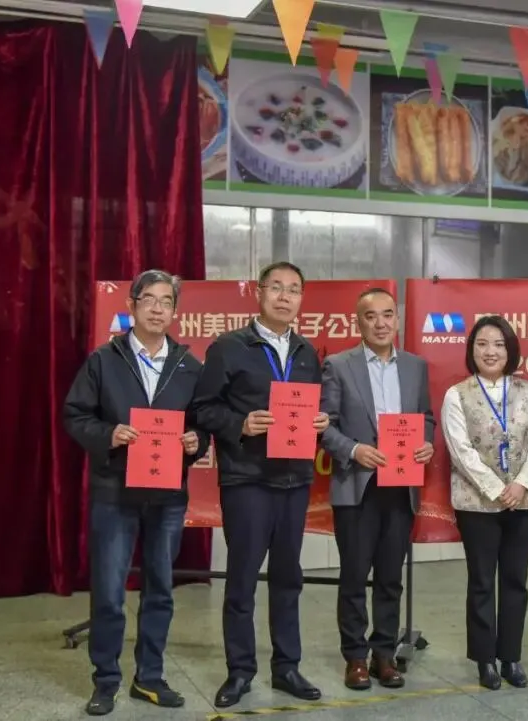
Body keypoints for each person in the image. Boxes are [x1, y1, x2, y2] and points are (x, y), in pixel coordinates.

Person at [62, 270, 210, 716]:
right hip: (114, 492)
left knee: (161, 588)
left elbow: (203, 423)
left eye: (166, 302)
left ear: (175, 311)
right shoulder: (104, 360)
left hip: (167, 495)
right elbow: (75, 415)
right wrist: (109, 434)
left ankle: (149, 677)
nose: (157, 309)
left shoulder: (189, 366)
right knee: (109, 592)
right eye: (149, 300)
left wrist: (197, 441)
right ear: (131, 306)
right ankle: (106, 680)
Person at [190, 262, 329, 708]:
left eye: (294, 290)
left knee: (288, 579)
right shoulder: (228, 347)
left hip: (294, 480)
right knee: (243, 580)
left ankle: (287, 667)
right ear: (258, 293)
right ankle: (240, 671)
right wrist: (242, 424)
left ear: (301, 299)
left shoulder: (307, 352)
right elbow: (203, 409)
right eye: (277, 288)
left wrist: (320, 423)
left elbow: (313, 408)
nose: (285, 297)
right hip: (247, 479)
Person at [319, 287, 436, 691]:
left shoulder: (416, 367)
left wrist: (426, 442)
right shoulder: (338, 365)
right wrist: (354, 450)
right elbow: (324, 426)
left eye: (388, 315)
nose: (381, 323)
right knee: (354, 576)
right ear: (359, 322)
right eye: (371, 316)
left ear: (397, 320)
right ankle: (355, 657)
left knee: (390, 576)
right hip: (357, 485)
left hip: (400, 486)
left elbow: (426, 417)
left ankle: (383, 653)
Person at [440, 315, 528, 691]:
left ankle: (510, 657)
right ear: (472, 350)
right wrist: (495, 488)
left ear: (510, 350)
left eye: (499, 344)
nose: (491, 351)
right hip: (477, 504)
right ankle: (485, 660)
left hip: (524, 501)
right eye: (483, 344)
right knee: (482, 581)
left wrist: (521, 485)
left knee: (516, 581)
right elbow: (460, 450)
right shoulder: (457, 395)